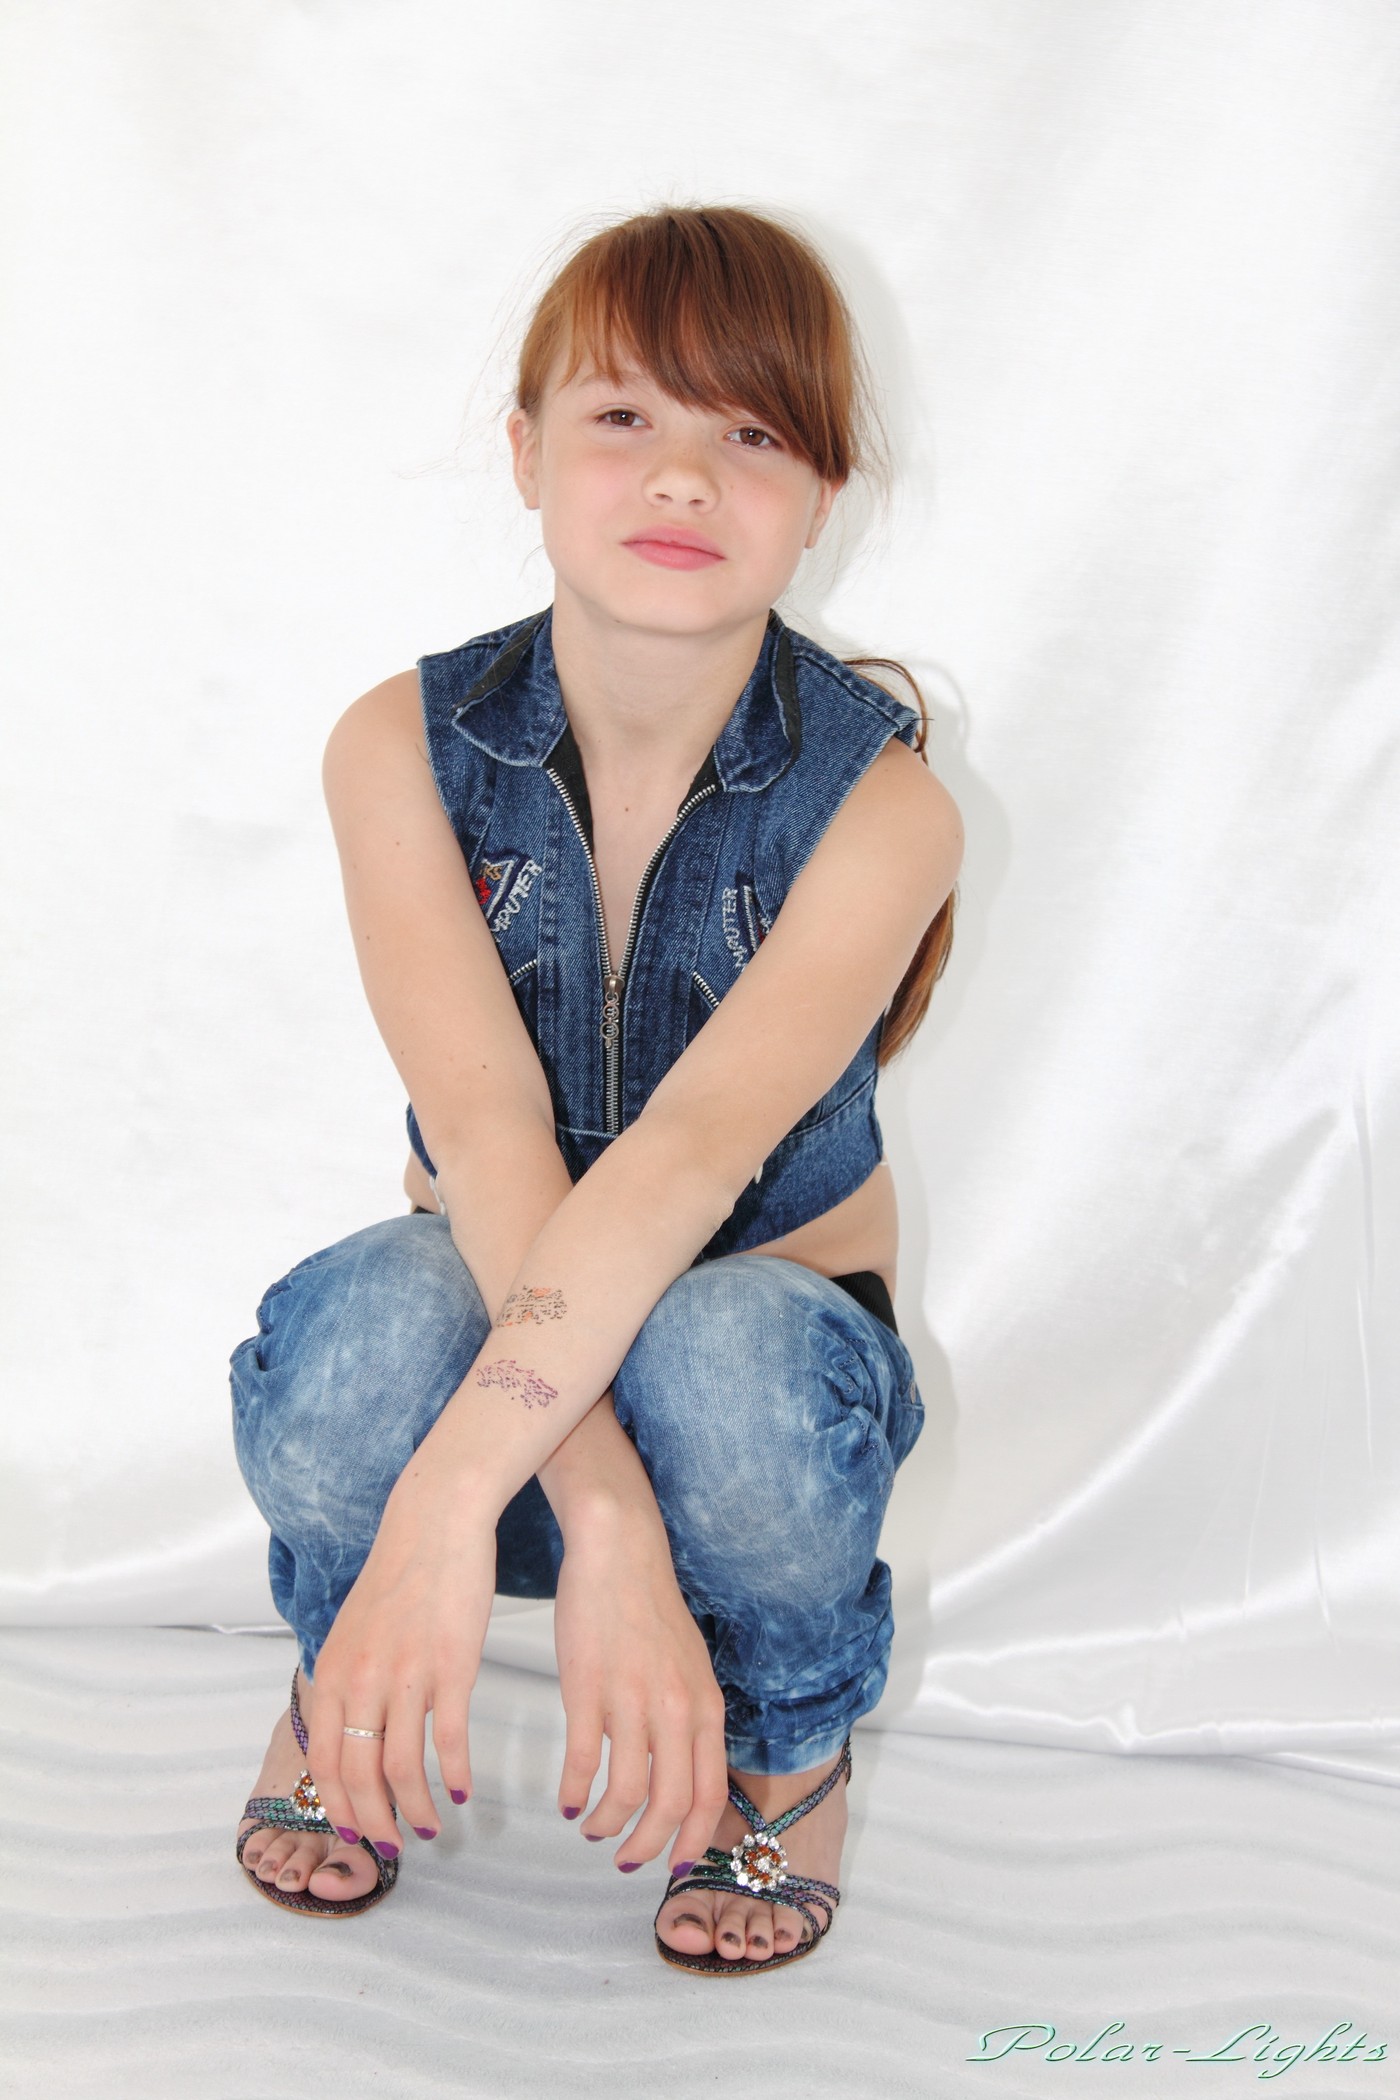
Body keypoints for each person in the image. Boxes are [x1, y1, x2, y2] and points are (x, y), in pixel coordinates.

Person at [230, 201, 964, 1976]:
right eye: (625, 415)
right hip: (498, 1312)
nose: (685, 477)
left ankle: (782, 1746)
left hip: (746, 1355)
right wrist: (585, 1515)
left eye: (754, 432)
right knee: (353, 1346)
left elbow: (689, 1158)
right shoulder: (399, 747)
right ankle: (346, 1674)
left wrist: (560, 1500)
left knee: (724, 1352)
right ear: (527, 453)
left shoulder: (886, 810)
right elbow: (486, 1135)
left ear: (824, 491)